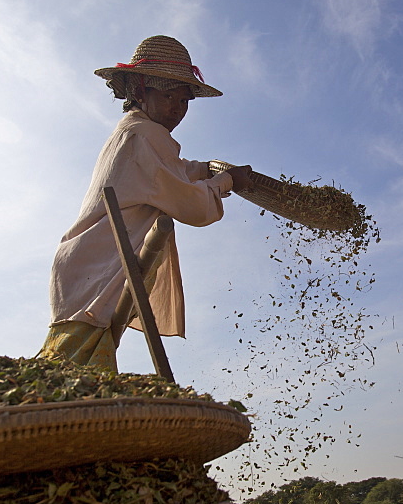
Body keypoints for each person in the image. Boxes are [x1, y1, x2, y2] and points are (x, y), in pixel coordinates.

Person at [41, 35, 252, 373]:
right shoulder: (146, 137)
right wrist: (226, 181)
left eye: (184, 100)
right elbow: (193, 206)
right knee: (72, 382)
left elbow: (173, 174)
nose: (177, 108)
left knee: (74, 374)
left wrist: (204, 170)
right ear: (140, 92)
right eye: (168, 95)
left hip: (82, 269)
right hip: (96, 271)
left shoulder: (133, 133)